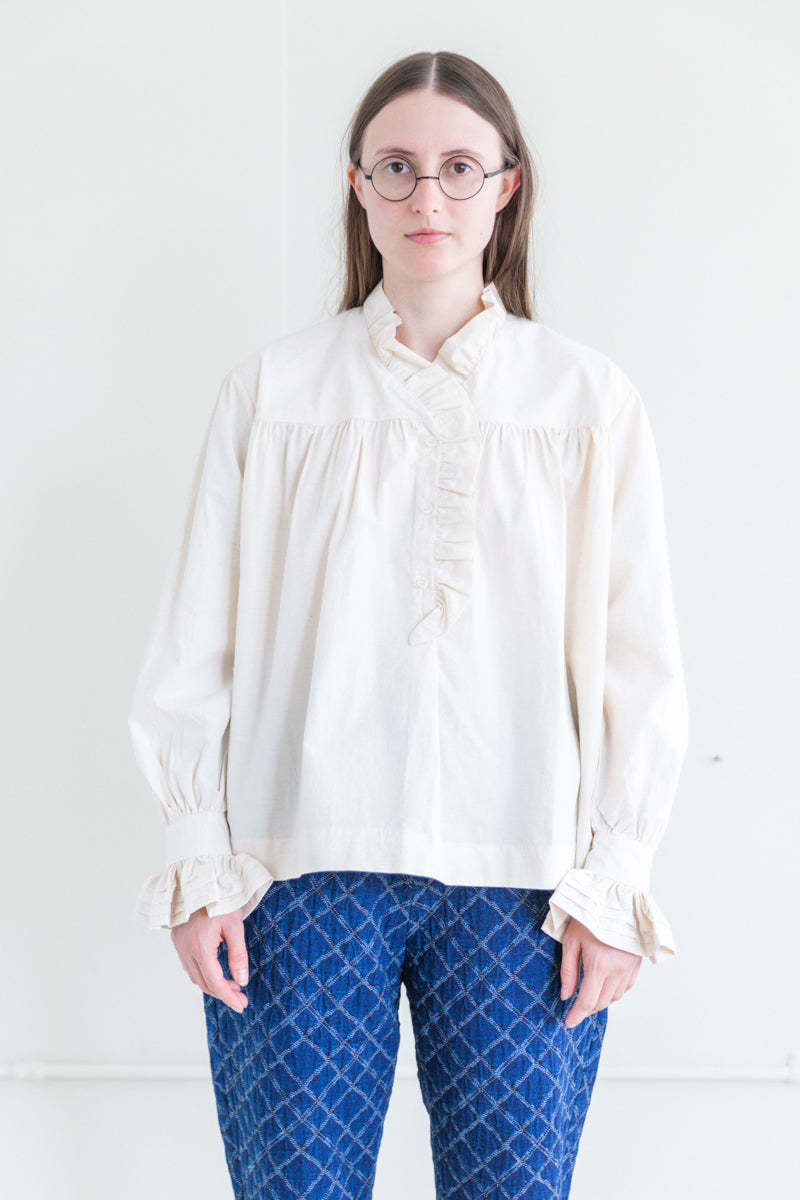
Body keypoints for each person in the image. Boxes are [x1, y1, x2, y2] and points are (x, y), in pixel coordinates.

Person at [128, 50, 689, 1200]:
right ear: (357, 185)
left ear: (506, 185)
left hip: (528, 878)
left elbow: (638, 663)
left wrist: (616, 876)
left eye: (456, 167)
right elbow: (194, 646)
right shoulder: (274, 394)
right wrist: (197, 858)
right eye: (396, 167)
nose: (426, 195)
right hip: (296, 867)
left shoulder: (585, 403)